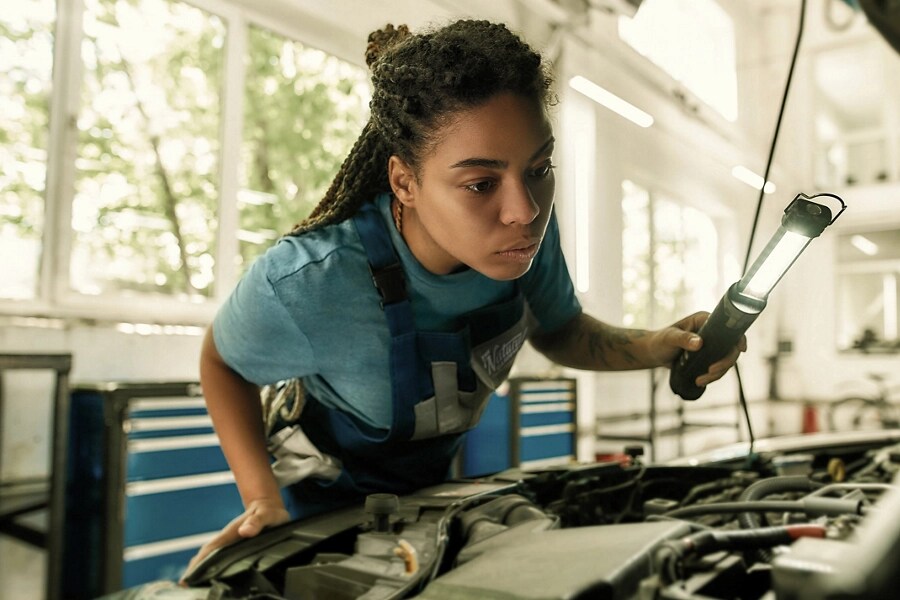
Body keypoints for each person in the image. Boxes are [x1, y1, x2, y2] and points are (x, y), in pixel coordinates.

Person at [188, 19, 745, 574]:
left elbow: (560, 330)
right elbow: (223, 361)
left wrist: (656, 345)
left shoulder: (524, 243)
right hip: (313, 526)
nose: (524, 211)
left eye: (540, 169)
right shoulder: (312, 280)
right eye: (481, 183)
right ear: (405, 182)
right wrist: (261, 497)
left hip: (429, 506)